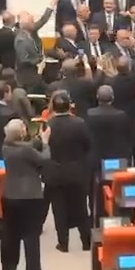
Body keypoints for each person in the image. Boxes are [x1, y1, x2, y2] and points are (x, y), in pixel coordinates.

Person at [0, 119, 50, 270]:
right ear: (22, 132)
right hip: (30, 195)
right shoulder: (27, 151)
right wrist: (45, 142)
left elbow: (26, 147)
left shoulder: (5, 148)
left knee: (10, 231)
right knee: (31, 232)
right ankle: (33, 269)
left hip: (9, 194)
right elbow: (44, 159)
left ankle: (8, 267)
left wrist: (35, 140)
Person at [45, 91, 92, 252]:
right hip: (76, 171)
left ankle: (63, 243)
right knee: (81, 208)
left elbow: (43, 148)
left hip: (56, 172)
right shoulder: (80, 123)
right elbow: (88, 146)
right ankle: (86, 241)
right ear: (70, 105)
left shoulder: (48, 125)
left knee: (59, 209)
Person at [86, 85, 135, 163]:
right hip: (117, 158)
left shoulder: (88, 115)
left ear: (97, 97)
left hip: (96, 159)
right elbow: (129, 138)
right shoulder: (122, 116)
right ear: (112, 97)